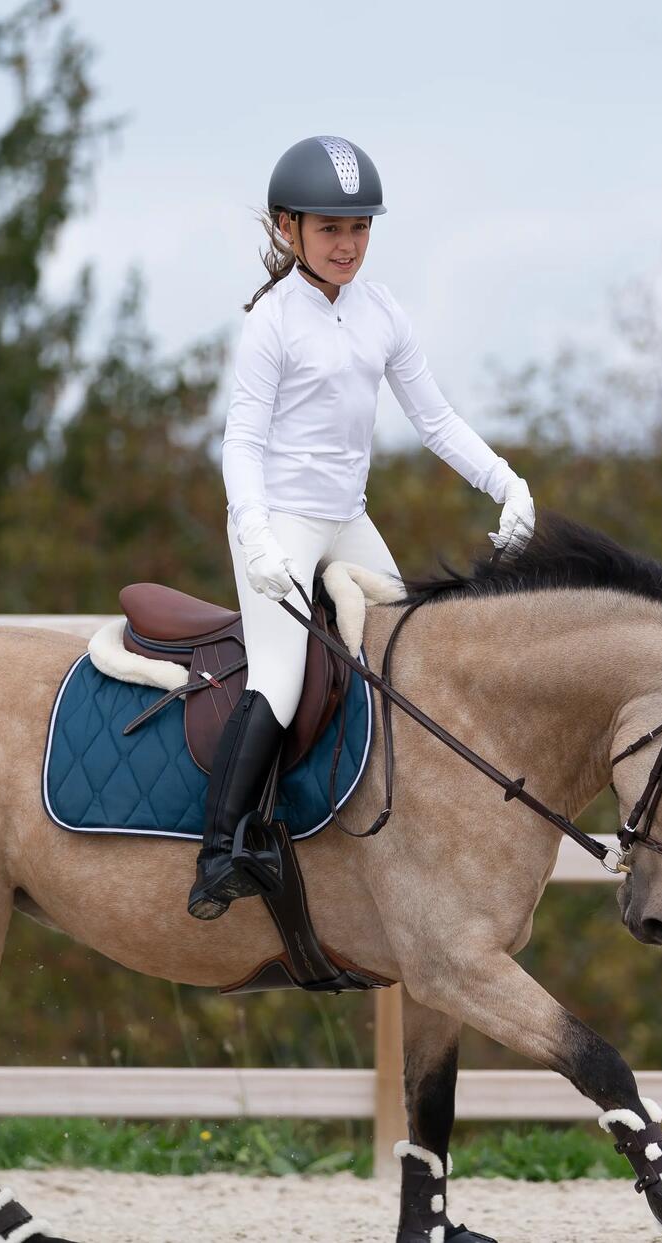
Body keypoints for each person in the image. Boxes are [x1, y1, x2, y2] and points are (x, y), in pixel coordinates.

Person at [187, 134, 537, 920]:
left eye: (359, 229)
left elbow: (436, 419)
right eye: (330, 229)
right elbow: (239, 441)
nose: (347, 245)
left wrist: (504, 482)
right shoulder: (272, 322)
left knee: (412, 651)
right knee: (278, 678)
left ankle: (394, 828)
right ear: (289, 229)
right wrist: (256, 536)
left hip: (347, 519)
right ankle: (220, 852)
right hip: (279, 520)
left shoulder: (383, 312)